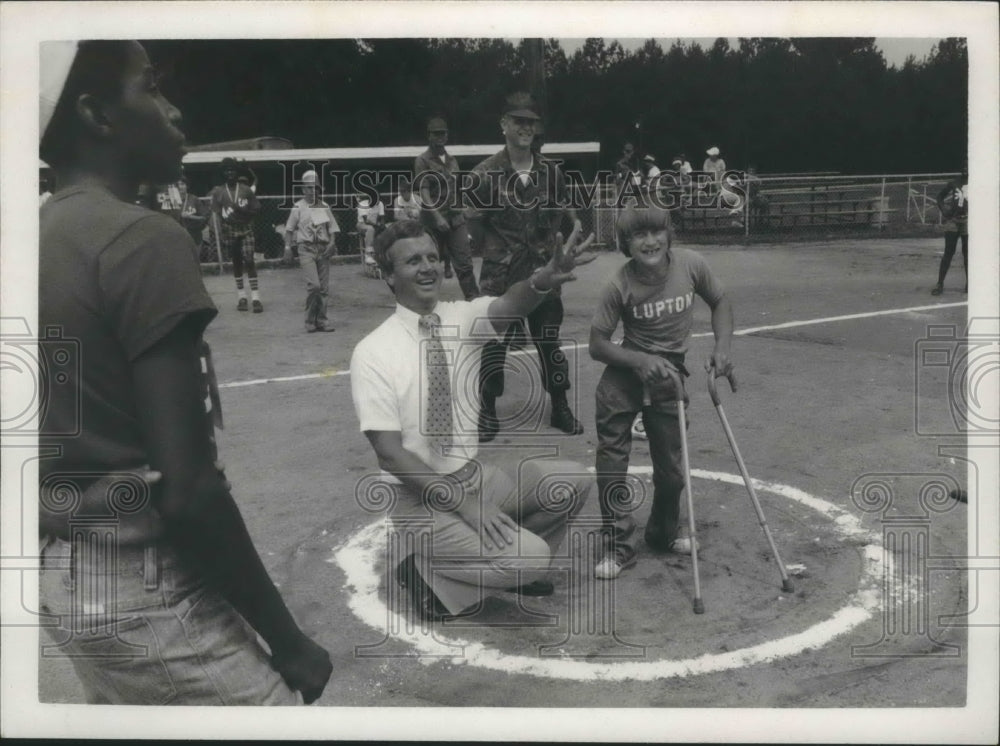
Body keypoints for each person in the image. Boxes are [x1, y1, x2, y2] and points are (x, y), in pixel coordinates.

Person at [37, 40, 332, 705]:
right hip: (142, 583)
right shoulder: (142, 237)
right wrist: (288, 641)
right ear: (97, 115)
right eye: (150, 87)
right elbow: (190, 490)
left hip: (60, 575)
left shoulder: (36, 234)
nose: (173, 111)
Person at [350, 219, 596, 621]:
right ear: (389, 275)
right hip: (419, 499)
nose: (427, 267)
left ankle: (498, 568)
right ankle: (425, 575)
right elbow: (390, 454)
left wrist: (543, 280)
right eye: (413, 261)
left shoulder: (461, 317)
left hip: (473, 477)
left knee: (574, 481)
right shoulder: (373, 351)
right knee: (533, 559)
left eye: (432, 257)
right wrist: (466, 506)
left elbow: (510, 304)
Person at [589, 204, 734, 579]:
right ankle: (619, 545)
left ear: (669, 235)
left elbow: (720, 301)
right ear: (625, 243)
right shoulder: (618, 284)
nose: (649, 241)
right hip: (626, 372)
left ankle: (663, 533)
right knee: (611, 463)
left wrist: (722, 348)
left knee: (671, 470)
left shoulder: (691, 265)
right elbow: (597, 345)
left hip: (669, 374)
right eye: (639, 235)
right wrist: (639, 360)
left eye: (656, 232)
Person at [465, 92, 585, 442]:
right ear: (503, 124)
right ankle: (487, 408)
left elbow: (560, 217)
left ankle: (560, 405)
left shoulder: (551, 173)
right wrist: (503, 252)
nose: (525, 128)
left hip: (543, 275)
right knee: (493, 344)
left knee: (549, 342)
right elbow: (474, 228)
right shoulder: (483, 175)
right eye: (518, 121)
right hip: (500, 278)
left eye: (531, 122)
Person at [413, 116, 479, 299]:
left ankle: (473, 302)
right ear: (429, 136)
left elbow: (456, 188)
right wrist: (437, 217)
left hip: (455, 219)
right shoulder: (422, 160)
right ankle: (425, 303)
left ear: (447, 135)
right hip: (432, 221)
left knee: (465, 264)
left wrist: (464, 208)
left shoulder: (452, 160)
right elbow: (424, 191)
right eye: (436, 134)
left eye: (442, 133)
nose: (440, 137)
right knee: (428, 266)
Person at [284, 169, 339, 332]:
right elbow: (289, 229)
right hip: (306, 248)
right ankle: (309, 320)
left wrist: (332, 243)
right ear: (303, 189)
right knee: (314, 285)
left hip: (322, 248)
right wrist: (288, 247)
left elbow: (332, 228)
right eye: (309, 187)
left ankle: (321, 320)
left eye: (316, 187)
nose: (313, 191)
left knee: (323, 288)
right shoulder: (298, 207)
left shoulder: (324, 206)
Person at [210, 157, 263, 312]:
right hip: (229, 229)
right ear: (223, 173)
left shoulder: (246, 190)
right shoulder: (219, 192)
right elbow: (216, 215)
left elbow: (257, 209)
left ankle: (256, 298)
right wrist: (219, 232)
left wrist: (244, 212)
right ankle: (242, 297)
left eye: (232, 170)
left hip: (246, 228)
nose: (230, 173)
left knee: (249, 260)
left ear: (237, 172)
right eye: (227, 171)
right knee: (237, 262)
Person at [932, 170, 968, 295]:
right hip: (953, 220)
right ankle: (940, 283)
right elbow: (940, 197)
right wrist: (944, 210)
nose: (966, 169)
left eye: (968, 166)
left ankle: (969, 283)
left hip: (968, 221)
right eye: (964, 167)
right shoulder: (954, 182)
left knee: (968, 254)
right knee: (948, 252)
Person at [355, 190, 384, 263]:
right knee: (371, 229)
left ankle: (383, 254)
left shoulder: (380, 204)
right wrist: (377, 226)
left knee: (388, 228)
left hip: (375, 225)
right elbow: (366, 221)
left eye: (378, 199)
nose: (377, 202)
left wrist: (382, 226)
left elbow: (382, 218)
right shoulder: (362, 204)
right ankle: (368, 254)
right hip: (362, 224)